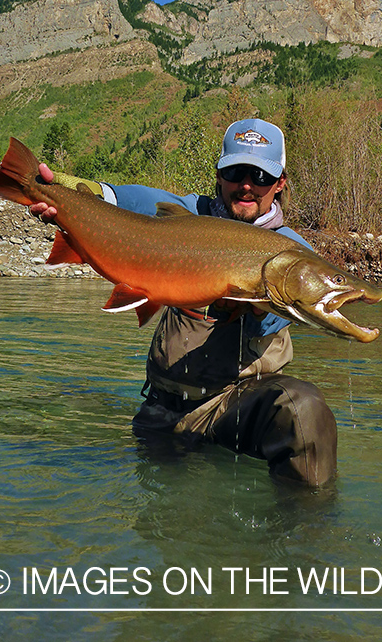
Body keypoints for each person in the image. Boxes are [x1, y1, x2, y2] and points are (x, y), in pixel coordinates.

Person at [31, 118, 337, 485]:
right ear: (220, 174)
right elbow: (137, 200)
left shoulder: (295, 256)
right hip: (163, 409)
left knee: (303, 408)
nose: (246, 186)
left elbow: (291, 314)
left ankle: (304, 532)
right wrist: (69, 191)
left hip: (236, 406)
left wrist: (252, 308)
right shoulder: (193, 214)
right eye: (236, 171)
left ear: (280, 183)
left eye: (260, 177)